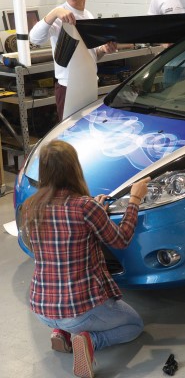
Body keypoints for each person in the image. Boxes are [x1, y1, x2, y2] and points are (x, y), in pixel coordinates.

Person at [21, 140, 150, 378]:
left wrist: (96, 209)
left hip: (41, 308)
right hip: (80, 311)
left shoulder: (31, 207)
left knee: (66, 309)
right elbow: (120, 240)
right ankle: (91, 341)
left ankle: (60, 332)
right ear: (74, 168)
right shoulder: (85, 207)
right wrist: (135, 200)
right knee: (134, 326)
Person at [29, 0, 117, 121]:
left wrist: (103, 49)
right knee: (68, 132)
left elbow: (90, 57)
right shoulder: (60, 14)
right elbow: (35, 39)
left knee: (85, 131)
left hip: (89, 83)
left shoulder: (88, 15)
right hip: (69, 86)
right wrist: (54, 13)